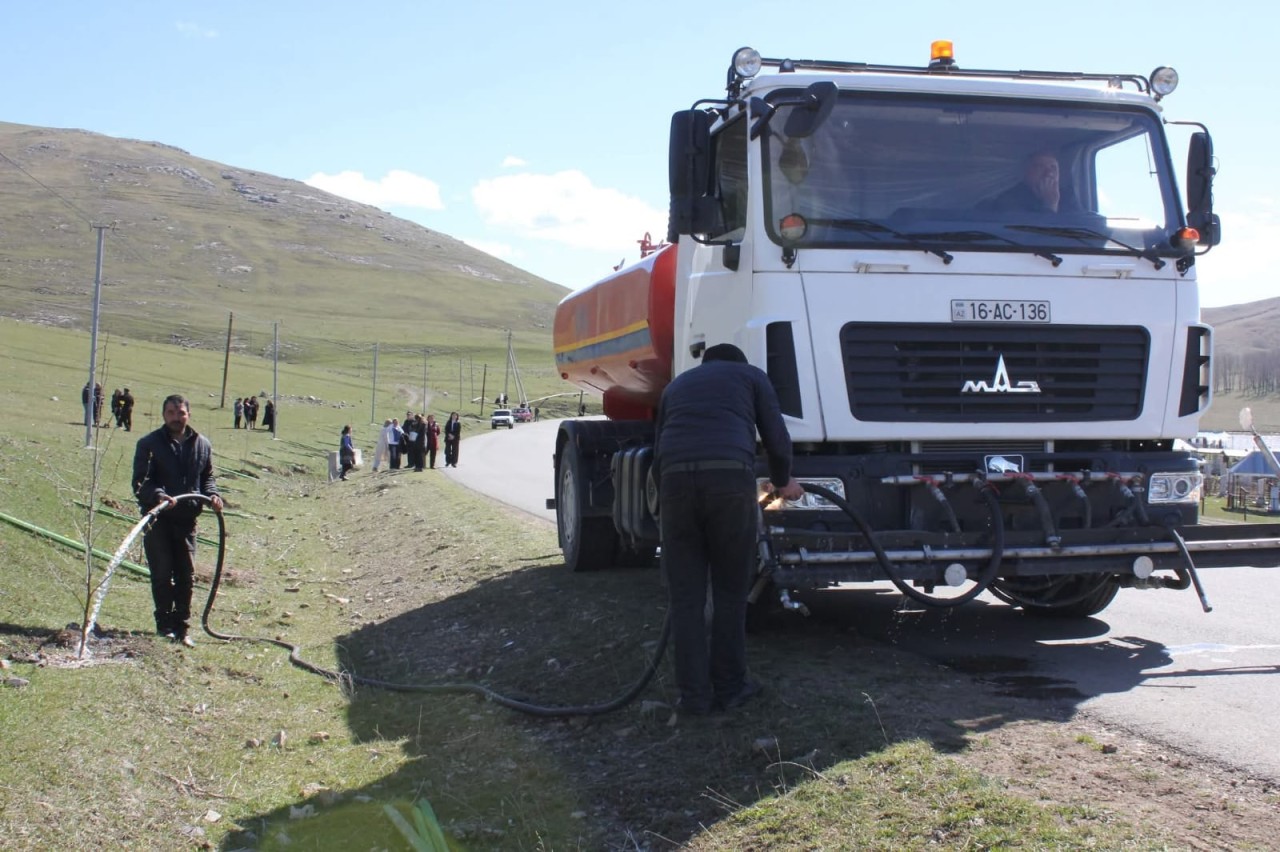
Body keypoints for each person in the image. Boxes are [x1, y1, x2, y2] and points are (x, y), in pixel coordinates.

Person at [653, 343, 804, 716]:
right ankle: (731, 688)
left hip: (674, 486)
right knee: (729, 592)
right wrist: (783, 480)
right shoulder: (752, 376)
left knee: (685, 599)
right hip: (728, 481)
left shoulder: (677, 386)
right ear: (739, 362)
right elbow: (776, 436)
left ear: (706, 364)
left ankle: (693, 698)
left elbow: (658, 451)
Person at [131, 394, 223, 647]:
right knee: (161, 574)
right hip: (158, 520)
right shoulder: (149, 444)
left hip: (187, 521)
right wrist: (159, 496)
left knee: (186, 575)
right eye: (171, 412)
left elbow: (207, 478)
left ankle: (183, 627)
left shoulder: (202, 444)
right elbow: (141, 482)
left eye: (180, 412)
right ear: (164, 415)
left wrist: (213, 495)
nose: (176, 417)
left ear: (188, 415)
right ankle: (164, 625)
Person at [983, 150, 1065, 214]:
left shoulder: (1068, 196)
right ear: (1027, 172)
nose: (1049, 173)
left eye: (1053, 167)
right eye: (1040, 167)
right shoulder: (1008, 200)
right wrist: (1050, 204)